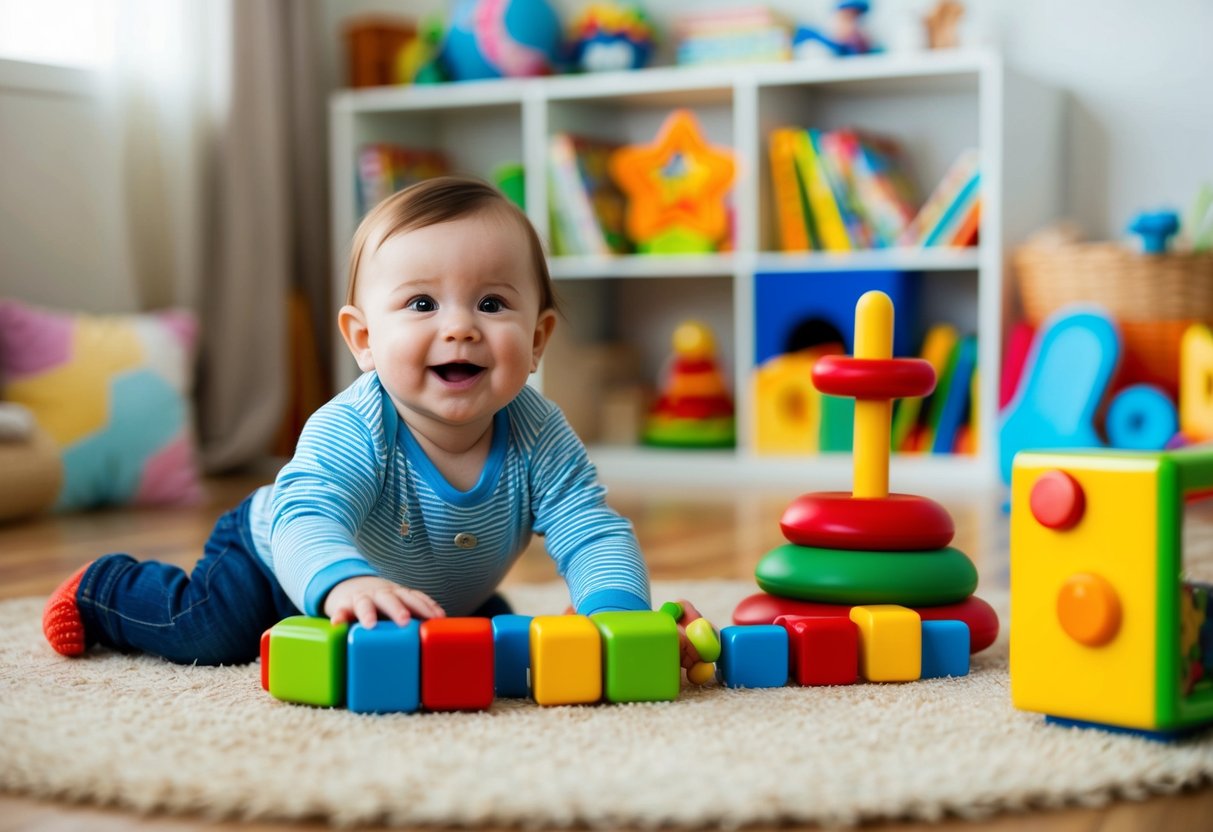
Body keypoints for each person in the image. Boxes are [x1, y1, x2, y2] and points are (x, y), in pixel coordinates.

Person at [42, 175, 706, 671]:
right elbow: (307, 518)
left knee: (490, 644)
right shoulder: (356, 426)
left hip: (425, 593)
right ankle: (104, 589)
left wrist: (616, 617)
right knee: (210, 631)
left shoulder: (540, 434)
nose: (458, 327)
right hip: (276, 561)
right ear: (363, 339)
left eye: (491, 303)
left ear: (537, 339)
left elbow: (590, 529)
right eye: (421, 303)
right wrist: (344, 582)